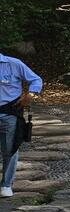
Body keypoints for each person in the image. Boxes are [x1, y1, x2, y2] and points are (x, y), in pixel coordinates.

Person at [0, 51, 42, 197]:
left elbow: (36, 80)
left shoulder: (14, 64)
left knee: (10, 149)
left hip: (9, 113)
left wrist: (30, 95)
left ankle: (6, 185)